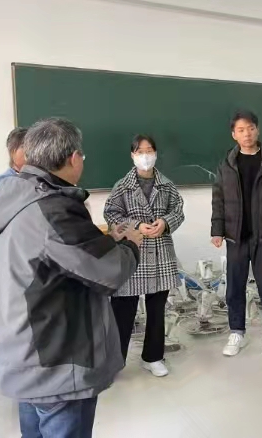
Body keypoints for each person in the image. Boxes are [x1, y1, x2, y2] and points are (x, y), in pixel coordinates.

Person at [0, 118, 141, 438]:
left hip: (23, 347)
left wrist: (106, 242)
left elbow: (60, 256)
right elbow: (109, 272)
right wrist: (130, 245)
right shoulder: (53, 208)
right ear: (73, 158)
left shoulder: (12, 193)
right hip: (57, 357)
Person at [104, 134, 185, 378]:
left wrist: (165, 222)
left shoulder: (167, 185)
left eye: (149, 150)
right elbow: (111, 214)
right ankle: (113, 362)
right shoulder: (122, 186)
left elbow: (178, 211)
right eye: (140, 151)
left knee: (157, 309)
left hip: (160, 253)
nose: (145, 156)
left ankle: (153, 357)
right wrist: (137, 225)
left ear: (156, 153)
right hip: (132, 252)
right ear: (132, 155)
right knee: (123, 310)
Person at [211, 111, 262, 357]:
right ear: (234, 134)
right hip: (235, 234)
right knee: (235, 286)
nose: (247, 134)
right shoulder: (227, 163)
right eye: (241, 130)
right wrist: (217, 229)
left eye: (250, 128)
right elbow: (218, 198)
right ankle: (236, 332)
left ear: (257, 130)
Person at [0, 127, 27, 193]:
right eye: (23, 146)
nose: (29, 151)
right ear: (11, 150)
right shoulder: (2, 181)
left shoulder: (40, 179)